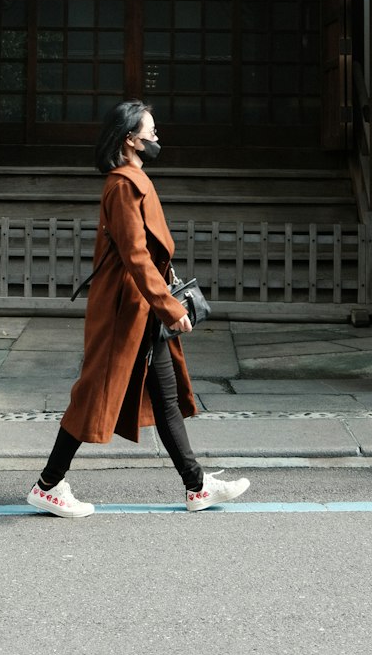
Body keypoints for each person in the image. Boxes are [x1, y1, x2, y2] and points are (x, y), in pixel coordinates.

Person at [26, 99, 250, 518]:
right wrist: (168, 306)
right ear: (130, 139)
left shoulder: (132, 180)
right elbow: (135, 255)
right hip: (124, 310)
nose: (157, 136)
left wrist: (160, 306)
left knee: (164, 396)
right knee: (92, 395)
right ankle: (47, 485)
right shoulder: (123, 185)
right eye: (151, 131)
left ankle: (197, 486)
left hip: (138, 308)